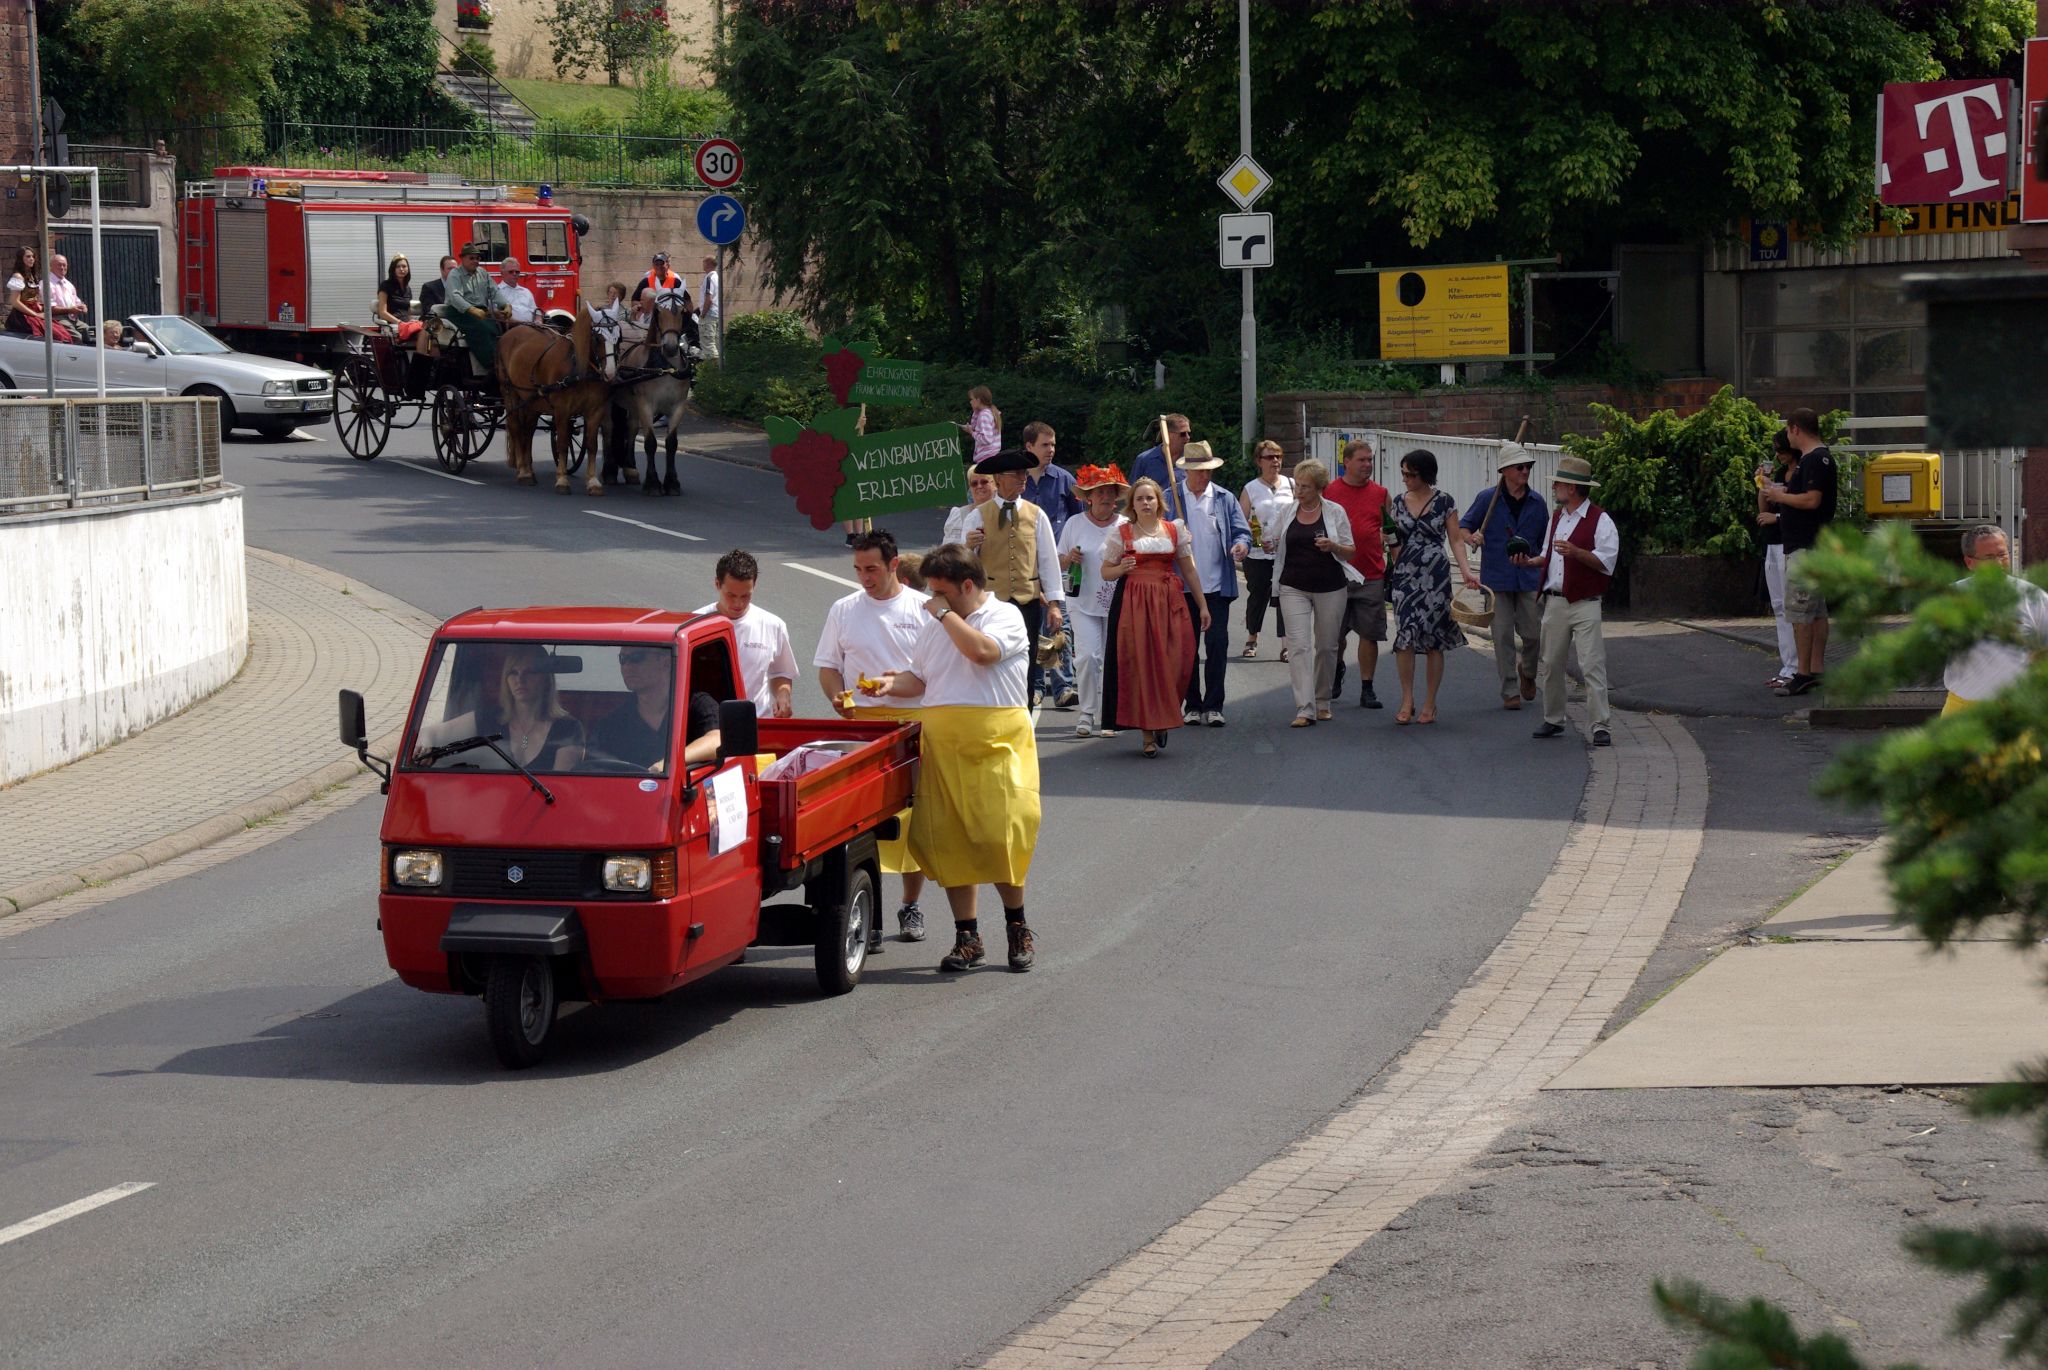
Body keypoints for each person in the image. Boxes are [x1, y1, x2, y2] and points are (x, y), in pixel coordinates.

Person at [862, 543, 1040, 973]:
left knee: (1002, 834)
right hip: (944, 741)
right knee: (951, 838)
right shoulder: (937, 624)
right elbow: (921, 678)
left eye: (941, 592)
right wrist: (891, 685)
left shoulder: (1003, 615)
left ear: (968, 585)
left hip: (996, 740)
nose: (932, 600)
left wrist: (943, 614)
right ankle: (967, 938)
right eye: (932, 592)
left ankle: (1017, 926)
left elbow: (982, 653)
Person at [815, 529, 932, 939]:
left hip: (911, 723)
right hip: (862, 726)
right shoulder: (844, 609)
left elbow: (933, 674)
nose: (864, 578)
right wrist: (837, 696)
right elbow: (828, 666)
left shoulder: (923, 609)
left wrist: (896, 685)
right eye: (858, 570)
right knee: (860, 821)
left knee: (912, 818)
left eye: (872, 569)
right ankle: (869, 912)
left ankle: (911, 906)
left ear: (894, 565)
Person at [1099, 476, 1206, 757]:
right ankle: (1148, 733)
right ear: (1132, 505)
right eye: (1140, 498)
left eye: (1150, 498)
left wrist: (1203, 605)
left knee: (1178, 659)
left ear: (1159, 501)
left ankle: (1163, 715)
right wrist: (1121, 568)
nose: (1145, 502)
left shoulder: (1173, 530)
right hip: (1134, 604)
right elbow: (1105, 572)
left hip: (1169, 602)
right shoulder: (1122, 533)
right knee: (1143, 665)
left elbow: (1189, 570)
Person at [1518, 455, 1618, 747]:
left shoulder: (1600, 520)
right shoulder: (1557, 517)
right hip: (1555, 601)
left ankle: (1600, 725)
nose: (1554, 488)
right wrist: (1530, 562)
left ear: (1572, 488)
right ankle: (1553, 718)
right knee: (1551, 663)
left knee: (1592, 664)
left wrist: (1577, 552)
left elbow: (1607, 562)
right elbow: (1548, 554)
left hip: (1585, 602)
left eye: (1558, 484)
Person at [1265, 460, 1362, 727]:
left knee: (1328, 646)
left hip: (1330, 586)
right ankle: (1304, 708)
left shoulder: (1334, 511)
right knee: (1298, 646)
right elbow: (1274, 540)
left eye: (1305, 487)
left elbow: (1350, 550)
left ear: (1319, 488)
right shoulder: (1288, 511)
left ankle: (1322, 701)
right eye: (1297, 485)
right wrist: (1269, 543)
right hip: (1293, 586)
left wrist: (1333, 546)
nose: (1299, 491)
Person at [1386, 448, 1476, 726]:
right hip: (1405, 575)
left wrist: (1466, 571)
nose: (1405, 479)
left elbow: (1456, 540)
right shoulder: (1398, 502)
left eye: (1411, 474)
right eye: (1403, 473)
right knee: (1405, 636)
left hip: (1435, 577)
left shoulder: (1444, 501)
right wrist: (1390, 547)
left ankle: (1429, 702)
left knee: (1435, 638)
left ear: (1425, 475)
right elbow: (1393, 539)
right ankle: (1407, 699)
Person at [971, 449, 1065, 708]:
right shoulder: (978, 515)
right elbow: (962, 563)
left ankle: (1024, 716)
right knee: (992, 662)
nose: (1023, 478)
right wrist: (968, 545)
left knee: (1026, 662)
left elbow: (1049, 561)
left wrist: (1054, 604)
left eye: (1024, 472)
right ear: (999, 479)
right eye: (1016, 473)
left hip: (1027, 601)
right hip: (991, 603)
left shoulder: (1036, 514)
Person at [1459, 443, 1549, 711]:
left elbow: (1545, 542)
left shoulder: (1538, 502)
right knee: (1501, 635)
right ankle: (1510, 689)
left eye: (1528, 467)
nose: (1525, 471)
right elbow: (1464, 527)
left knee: (1533, 634)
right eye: (1520, 467)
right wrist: (1472, 538)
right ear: (1505, 470)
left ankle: (1528, 672)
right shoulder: (1488, 499)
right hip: (1497, 578)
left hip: (1529, 576)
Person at [1173, 440, 1251, 726]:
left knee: (1217, 645)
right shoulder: (1171, 497)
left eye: (1209, 470)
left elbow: (1242, 531)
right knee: (1187, 649)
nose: (1205, 476)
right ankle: (1192, 704)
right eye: (1200, 471)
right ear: (1187, 471)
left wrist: (1241, 545)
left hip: (1217, 587)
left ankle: (1214, 705)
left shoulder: (1223, 498)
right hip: (1182, 588)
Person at [1763, 407, 1837, 697]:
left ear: (1795, 429)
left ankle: (1803, 673)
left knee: (1800, 612)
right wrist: (1777, 491)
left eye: (1788, 430)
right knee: (1816, 611)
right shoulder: (1814, 458)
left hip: (1805, 547)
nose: (1788, 437)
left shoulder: (1815, 459)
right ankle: (1815, 669)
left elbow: (1811, 500)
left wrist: (1779, 496)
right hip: (1811, 545)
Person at [1942, 524, 2048, 714]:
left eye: (2002, 555)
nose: (1999, 563)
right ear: (1969, 562)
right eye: (1989, 557)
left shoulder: (2034, 596)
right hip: (1962, 709)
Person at [1056, 464, 1129, 738]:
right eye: (1099, 492)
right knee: (1088, 657)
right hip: (1082, 601)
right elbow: (1058, 561)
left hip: (1118, 603)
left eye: (1110, 491)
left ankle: (1112, 716)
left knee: (1114, 660)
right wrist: (1069, 559)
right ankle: (1087, 713)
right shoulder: (1074, 524)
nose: (1106, 497)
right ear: (1088, 497)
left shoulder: (1125, 525)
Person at [1324, 438, 1392, 710]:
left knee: (1369, 633)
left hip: (1370, 574)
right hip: (1336, 574)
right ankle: (1337, 669)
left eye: (1370, 460)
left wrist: (1393, 551)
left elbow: (1391, 531)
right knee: (1335, 635)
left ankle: (1367, 687)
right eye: (1362, 460)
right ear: (1347, 462)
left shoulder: (1381, 493)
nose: (1367, 464)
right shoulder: (1329, 491)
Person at [1020, 420, 1082, 707]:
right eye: (1045, 444)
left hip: (1058, 565)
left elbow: (1078, 518)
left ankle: (1063, 686)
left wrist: (1072, 553)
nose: (1051, 449)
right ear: (1029, 446)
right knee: (1030, 626)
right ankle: (1034, 687)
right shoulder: (1018, 479)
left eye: (1053, 444)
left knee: (1059, 624)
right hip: (1025, 566)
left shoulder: (1064, 479)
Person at [589, 643, 722, 773]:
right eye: (622, 659)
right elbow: (595, 762)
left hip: (682, 787)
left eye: (636, 658)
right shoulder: (615, 722)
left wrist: (669, 763)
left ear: (665, 663)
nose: (627, 666)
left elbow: (717, 740)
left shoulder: (695, 704)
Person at [696, 549, 797, 719]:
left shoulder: (773, 625)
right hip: (708, 724)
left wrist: (783, 694)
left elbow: (781, 672)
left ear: (754, 586)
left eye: (745, 596)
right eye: (731, 595)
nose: (738, 603)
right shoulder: (694, 624)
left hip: (756, 723)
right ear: (717, 584)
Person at [1239, 439, 1295, 663]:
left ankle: (1286, 645)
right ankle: (1252, 637)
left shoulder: (1292, 485)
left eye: (1278, 456)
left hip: (1287, 553)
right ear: (1259, 461)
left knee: (1286, 597)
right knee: (1258, 596)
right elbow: (1241, 521)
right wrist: (1253, 541)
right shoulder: (1251, 488)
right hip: (1258, 554)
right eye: (1270, 457)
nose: (1275, 461)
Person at [1757, 428, 1802, 691]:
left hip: (1789, 543)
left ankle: (1796, 666)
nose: (1777, 455)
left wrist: (1777, 518)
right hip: (1773, 543)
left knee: (1790, 605)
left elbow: (1804, 510)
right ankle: (1788, 665)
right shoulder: (1779, 474)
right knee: (1778, 605)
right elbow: (1763, 508)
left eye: (1780, 450)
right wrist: (1762, 486)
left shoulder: (1800, 475)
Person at [496, 644, 586, 771]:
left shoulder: (568, 729)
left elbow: (560, 781)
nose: (520, 679)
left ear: (546, 679)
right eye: (513, 672)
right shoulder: (487, 719)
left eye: (530, 672)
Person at [440, 242, 504, 372]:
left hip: (478, 311)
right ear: (462, 258)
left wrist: (505, 305)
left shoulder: (483, 273)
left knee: (496, 329)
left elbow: (494, 291)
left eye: (478, 258)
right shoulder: (455, 274)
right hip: (458, 311)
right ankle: (491, 365)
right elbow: (455, 296)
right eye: (472, 258)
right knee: (481, 329)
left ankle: (500, 360)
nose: (475, 261)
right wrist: (471, 309)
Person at [1130, 413, 1191, 521]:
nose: (1187, 437)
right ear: (1167, 434)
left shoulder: (1191, 462)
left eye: (1188, 433)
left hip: (1184, 522)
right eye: (1182, 434)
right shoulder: (1145, 460)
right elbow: (1132, 495)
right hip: (1152, 523)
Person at [943, 469, 998, 545]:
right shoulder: (960, 515)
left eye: (984, 482)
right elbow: (949, 549)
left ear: (995, 485)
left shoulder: (1004, 512)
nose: (979, 486)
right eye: (974, 483)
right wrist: (968, 545)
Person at [415, 255, 455, 357]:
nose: (453, 272)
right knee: (430, 330)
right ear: (442, 270)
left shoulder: (462, 288)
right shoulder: (429, 287)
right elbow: (428, 311)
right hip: (437, 325)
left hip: (456, 325)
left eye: (455, 269)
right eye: (450, 268)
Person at [43, 255, 87, 330]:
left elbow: (77, 302)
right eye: (59, 265)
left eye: (64, 265)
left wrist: (82, 307)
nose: (62, 267)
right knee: (77, 336)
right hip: (57, 319)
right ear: (50, 267)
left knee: (90, 332)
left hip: (74, 319)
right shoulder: (46, 284)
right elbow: (49, 309)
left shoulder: (69, 285)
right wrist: (69, 310)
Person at [497, 258, 540, 325]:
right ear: (502, 273)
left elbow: (536, 312)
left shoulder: (526, 292)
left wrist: (539, 320)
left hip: (532, 327)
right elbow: (497, 315)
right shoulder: (497, 292)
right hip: (511, 328)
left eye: (517, 272)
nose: (514, 274)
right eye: (511, 272)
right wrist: (521, 324)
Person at [375, 254, 414, 327]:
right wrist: (400, 323)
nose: (401, 269)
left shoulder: (408, 288)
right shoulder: (385, 285)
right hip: (392, 325)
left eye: (404, 266)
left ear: (408, 269)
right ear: (393, 269)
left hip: (406, 324)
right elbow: (382, 312)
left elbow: (408, 312)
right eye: (398, 267)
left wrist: (411, 321)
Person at [966, 385, 1002, 466]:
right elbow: (974, 426)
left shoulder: (984, 415)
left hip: (986, 459)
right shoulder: (990, 412)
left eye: (971, 399)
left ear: (978, 400)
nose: (970, 402)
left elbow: (986, 439)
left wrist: (972, 433)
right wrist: (975, 411)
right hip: (993, 456)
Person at [697, 254, 721, 361]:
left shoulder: (709, 278)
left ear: (708, 263)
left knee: (708, 345)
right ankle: (720, 367)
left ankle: (713, 369)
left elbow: (709, 299)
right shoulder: (717, 277)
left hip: (708, 315)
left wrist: (702, 315)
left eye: (704, 262)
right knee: (716, 345)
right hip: (716, 314)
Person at [5, 246, 38, 314]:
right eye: (28, 256)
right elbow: (15, 301)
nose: (32, 259)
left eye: (33, 256)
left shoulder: (32, 276)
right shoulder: (18, 276)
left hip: (34, 309)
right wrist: (35, 314)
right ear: (21, 259)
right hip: (23, 314)